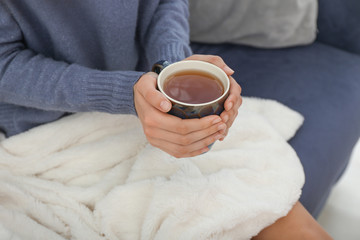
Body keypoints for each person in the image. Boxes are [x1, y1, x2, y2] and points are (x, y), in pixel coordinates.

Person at [0, 1, 332, 239]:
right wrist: (125, 93)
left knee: (285, 220)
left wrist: (171, 69)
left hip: (146, 89)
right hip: (46, 134)